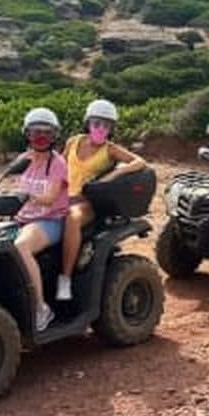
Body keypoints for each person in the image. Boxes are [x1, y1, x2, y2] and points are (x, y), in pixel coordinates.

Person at [57, 99, 146, 300]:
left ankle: (65, 280)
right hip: (62, 197)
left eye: (106, 125)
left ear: (111, 128)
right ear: (88, 122)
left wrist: (116, 173)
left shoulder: (110, 149)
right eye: (96, 123)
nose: (100, 128)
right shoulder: (74, 141)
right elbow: (59, 166)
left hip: (86, 202)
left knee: (72, 218)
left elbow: (140, 161)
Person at [14, 107, 69, 332]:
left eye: (46, 132)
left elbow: (50, 198)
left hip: (50, 220)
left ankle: (40, 308)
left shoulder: (58, 163)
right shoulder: (24, 160)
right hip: (22, 219)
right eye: (35, 132)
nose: (40, 137)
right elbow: (10, 186)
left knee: (21, 246)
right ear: (27, 134)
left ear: (54, 135)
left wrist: (29, 196)